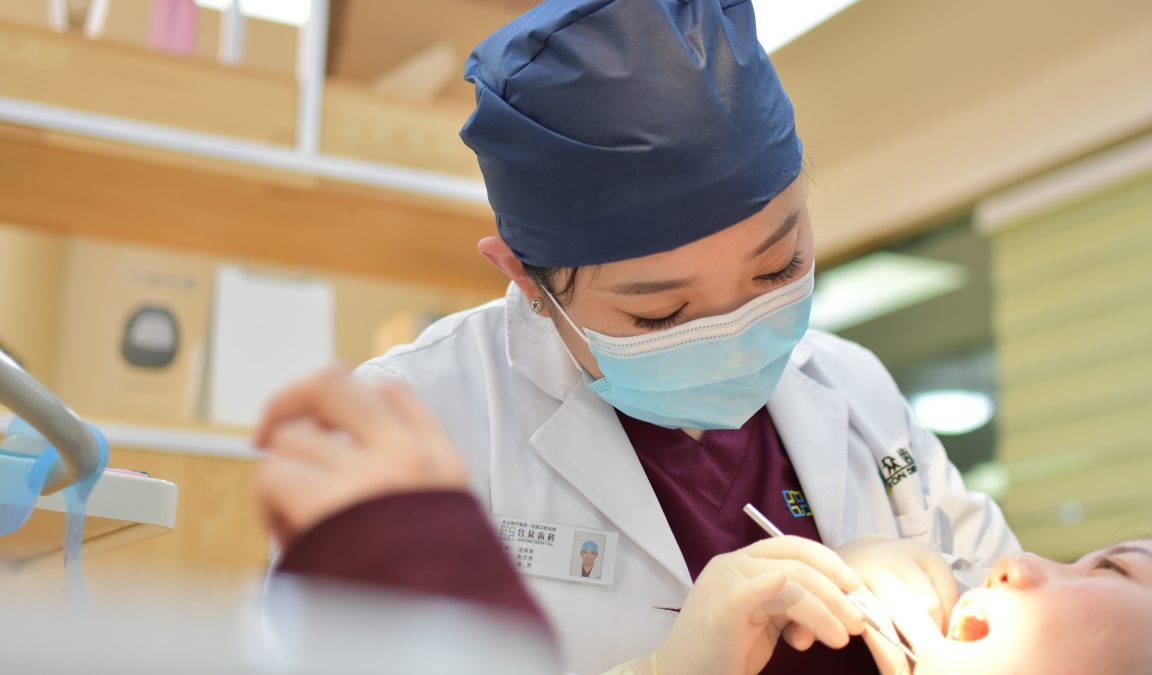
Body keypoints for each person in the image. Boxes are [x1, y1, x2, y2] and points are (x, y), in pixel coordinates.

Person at [280, 1, 1021, 672]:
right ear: (529, 282)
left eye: (777, 268)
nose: (735, 334)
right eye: (661, 314)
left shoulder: (858, 390)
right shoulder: (417, 424)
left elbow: (1044, 624)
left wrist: (945, 596)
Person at [256, 370, 1152, 675]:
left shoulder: (847, 383)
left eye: (1115, 572)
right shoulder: (453, 385)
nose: (1018, 565)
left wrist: (422, 556)